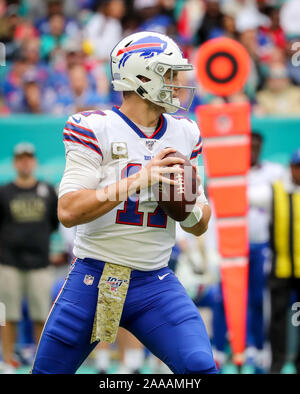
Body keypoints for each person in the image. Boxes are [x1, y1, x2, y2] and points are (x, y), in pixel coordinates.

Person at [31, 31, 217, 374]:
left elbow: (200, 223)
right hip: (94, 276)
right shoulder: (94, 127)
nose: (178, 84)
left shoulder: (185, 132)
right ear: (142, 76)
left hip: (155, 283)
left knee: (200, 367)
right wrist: (138, 180)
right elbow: (69, 210)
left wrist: (181, 205)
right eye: (170, 74)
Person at [0, 143, 59, 374]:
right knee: (7, 315)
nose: (25, 162)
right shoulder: (4, 192)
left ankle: (39, 361)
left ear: (33, 162)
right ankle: (6, 361)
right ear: (15, 163)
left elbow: (54, 223)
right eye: (21, 159)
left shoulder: (46, 190)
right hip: (8, 262)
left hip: (40, 263)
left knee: (40, 315)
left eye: (29, 158)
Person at [248, 148, 300, 373]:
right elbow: (245, 196)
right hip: (280, 268)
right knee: (277, 320)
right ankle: (276, 364)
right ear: (291, 168)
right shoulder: (275, 191)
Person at [246, 132, 285, 373]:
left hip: (264, 246)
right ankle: (248, 346)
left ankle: (264, 348)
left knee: (264, 300)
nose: (252, 150)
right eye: (249, 146)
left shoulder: (273, 173)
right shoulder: (234, 174)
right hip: (238, 246)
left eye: (256, 146)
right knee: (241, 299)